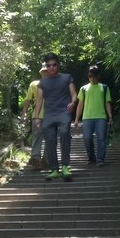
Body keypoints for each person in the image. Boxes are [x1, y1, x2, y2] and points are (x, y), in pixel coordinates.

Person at [33, 53, 78, 181]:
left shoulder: (67, 78)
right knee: (50, 141)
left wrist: (73, 102)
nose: (51, 67)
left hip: (64, 112)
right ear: (46, 67)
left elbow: (74, 94)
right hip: (49, 115)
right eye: (49, 65)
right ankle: (54, 169)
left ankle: (65, 167)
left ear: (58, 64)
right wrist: (36, 117)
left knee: (64, 134)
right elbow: (39, 100)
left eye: (54, 64)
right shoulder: (43, 82)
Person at [73, 65, 113, 166]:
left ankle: (100, 159)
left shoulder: (104, 87)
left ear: (98, 76)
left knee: (101, 138)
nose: (92, 78)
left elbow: (107, 103)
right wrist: (77, 119)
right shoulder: (83, 89)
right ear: (88, 75)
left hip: (101, 117)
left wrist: (110, 116)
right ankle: (91, 158)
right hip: (87, 117)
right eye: (90, 76)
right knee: (87, 138)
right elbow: (80, 104)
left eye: (94, 76)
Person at [20, 66, 50, 170]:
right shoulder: (34, 84)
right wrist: (24, 112)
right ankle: (35, 160)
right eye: (43, 71)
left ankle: (47, 161)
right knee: (37, 137)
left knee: (50, 139)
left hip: (51, 116)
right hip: (37, 116)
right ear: (40, 72)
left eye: (47, 71)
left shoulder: (55, 83)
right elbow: (28, 99)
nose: (45, 73)